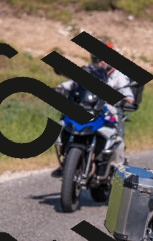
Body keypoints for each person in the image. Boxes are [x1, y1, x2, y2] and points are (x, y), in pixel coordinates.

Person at [51, 41, 135, 178]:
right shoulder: (88, 71)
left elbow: (128, 95)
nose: (101, 62)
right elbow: (71, 83)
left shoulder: (119, 76)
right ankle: (66, 161)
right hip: (88, 108)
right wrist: (60, 89)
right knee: (64, 122)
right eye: (98, 58)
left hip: (108, 112)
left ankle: (116, 170)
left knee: (118, 142)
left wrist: (124, 101)